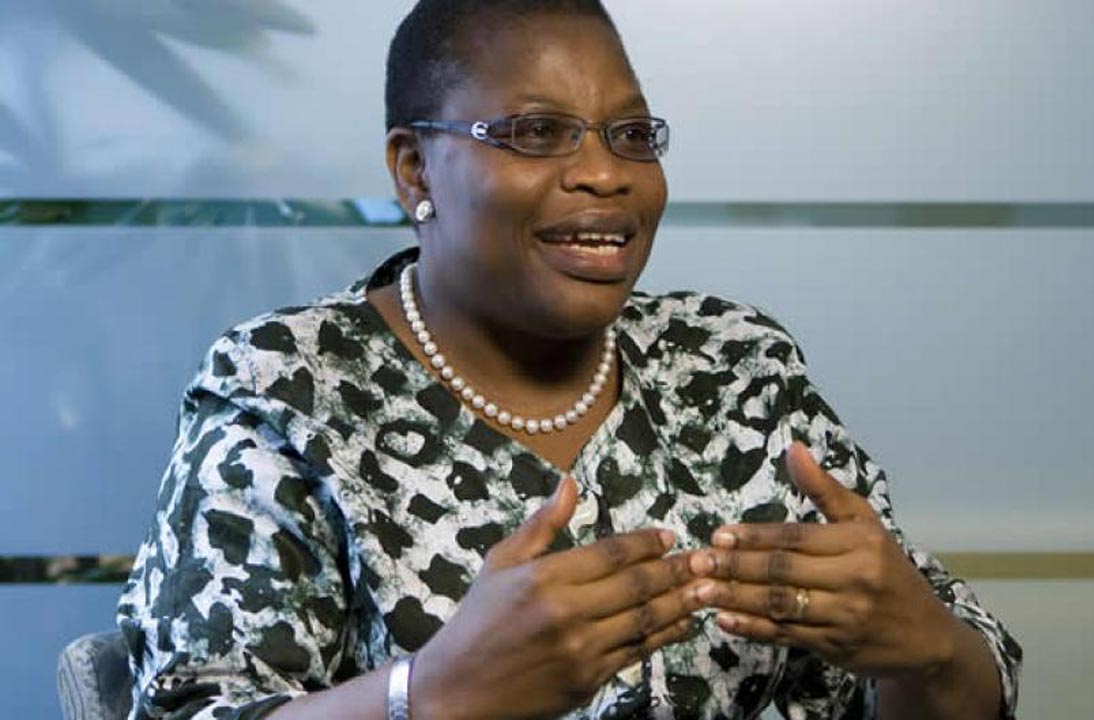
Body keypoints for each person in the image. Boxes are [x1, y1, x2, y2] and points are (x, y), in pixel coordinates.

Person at [117, 1, 1022, 718]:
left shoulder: (735, 364)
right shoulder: (286, 388)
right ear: (415, 170)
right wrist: (431, 697)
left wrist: (927, 651)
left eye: (631, 135)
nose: (605, 173)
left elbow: (957, 675)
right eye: (537, 132)